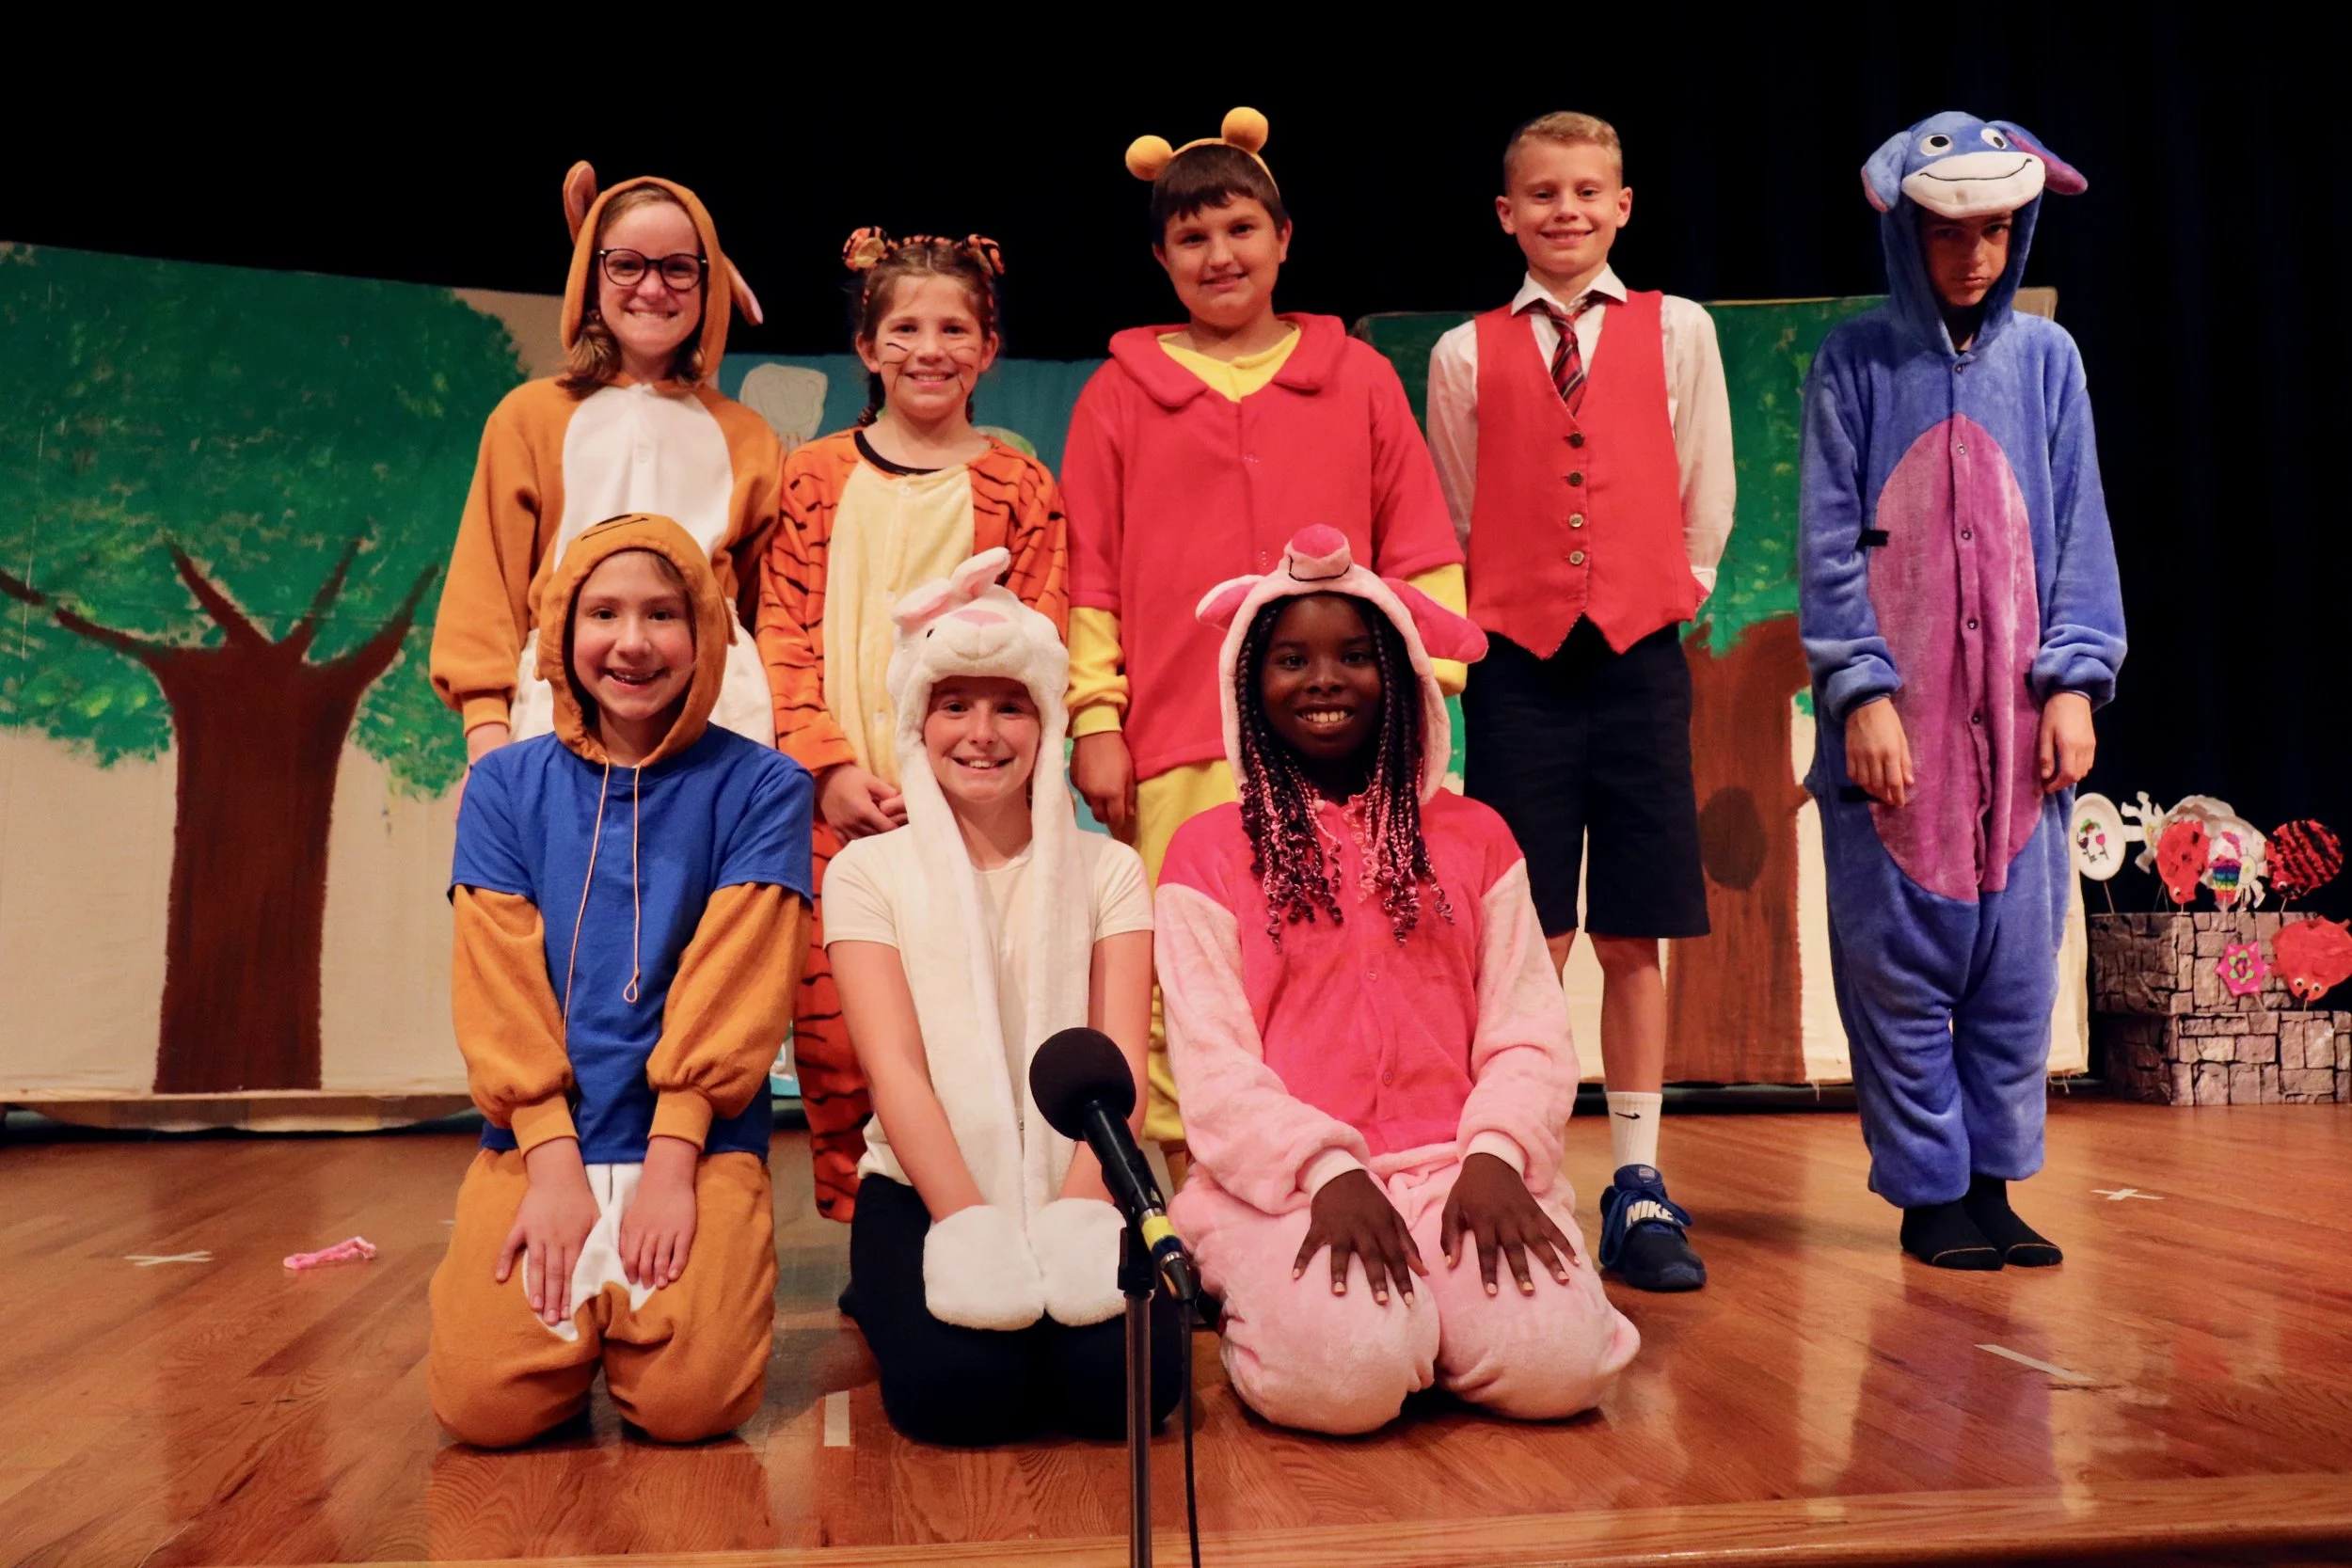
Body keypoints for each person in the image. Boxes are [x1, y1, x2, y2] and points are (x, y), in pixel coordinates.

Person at [1156, 527, 1639, 1435]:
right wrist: (1330, 1171)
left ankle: (1441, 1320)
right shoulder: (1205, 852)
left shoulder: (1478, 836)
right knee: (1350, 1378)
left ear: (1405, 676)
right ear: (1248, 684)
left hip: (1463, 1169)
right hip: (1292, 1186)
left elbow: (1529, 1030)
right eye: (1292, 660)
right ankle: (1341, 1319)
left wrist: (1495, 1158)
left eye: (1355, 656)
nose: (1324, 679)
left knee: (1561, 1369)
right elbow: (1213, 1070)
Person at [1063, 109, 1465, 1159]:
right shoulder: (1117, 395)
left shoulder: (1358, 376)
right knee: (1184, 966)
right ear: (1160, 258)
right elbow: (1089, 568)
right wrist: (1096, 717)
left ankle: (1351, 1170)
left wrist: (1427, 698)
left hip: (1348, 733)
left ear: (1283, 237)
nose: (1219, 255)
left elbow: (1418, 536)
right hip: (1178, 732)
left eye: (1239, 228)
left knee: (1347, 951)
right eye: (1191, 238)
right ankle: (1192, 1189)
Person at [1798, 112, 2124, 1269]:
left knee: (2016, 968)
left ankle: (1991, 1182)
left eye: (1994, 230)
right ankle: (1928, 1190)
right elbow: (1829, 539)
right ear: (1908, 234)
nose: (1974, 255)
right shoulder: (1855, 361)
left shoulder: (2047, 362)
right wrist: (1860, 691)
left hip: (2020, 727)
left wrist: (2074, 680)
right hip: (1903, 728)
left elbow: (2079, 527)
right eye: (1949, 232)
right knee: (1897, 966)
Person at [1424, 111, 1736, 1293]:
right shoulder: (1465, 353)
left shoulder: (1677, 329)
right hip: (1520, 667)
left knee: (1633, 926)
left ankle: (1639, 1179)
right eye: (1543, 193)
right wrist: (1504, 607)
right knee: (1529, 928)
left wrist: (1675, 588)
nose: (1566, 210)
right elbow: (1461, 506)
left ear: (1621, 205)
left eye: (1587, 191)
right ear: (1508, 214)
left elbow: (1705, 483)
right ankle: (1520, 1159)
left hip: (1639, 656)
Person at [428, 514, 814, 1446]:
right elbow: (497, 986)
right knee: (484, 1405)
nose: (632, 642)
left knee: (691, 1403)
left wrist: (672, 1164)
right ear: (564, 630)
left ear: (705, 632)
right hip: (542, 1144)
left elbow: (739, 985)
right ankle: (573, 1329)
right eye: (603, 613)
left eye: (661, 614)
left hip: (695, 1147)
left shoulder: (767, 787)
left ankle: (639, 1317)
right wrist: (552, 1163)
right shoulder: (502, 787)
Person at [821, 549, 1179, 1445]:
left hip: (1087, 1178)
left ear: (1047, 718)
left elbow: (1122, 1069)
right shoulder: (867, 872)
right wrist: (971, 1226)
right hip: (927, 1185)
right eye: (955, 704)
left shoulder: (1110, 870)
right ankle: (886, 1288)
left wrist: (1080, 1217)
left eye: (1009, 706)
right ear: (918, 719)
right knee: (963, 1395)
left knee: (1128, 1389)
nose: (981, 732)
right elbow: (896, 1069)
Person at [755, 231, 1069, 1223]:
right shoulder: (812, 478)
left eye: (953, 329)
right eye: (904, 329)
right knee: (844, 1031)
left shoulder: (1020, 486)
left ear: (988, 348)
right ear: (866, 345)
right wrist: (829, 769)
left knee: (974, 1013)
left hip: (976, 807)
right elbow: (782, 631)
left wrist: (978, 780)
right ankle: (877, 1233)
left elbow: (1038, 645)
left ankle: (990, 1215)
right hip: (840, 808)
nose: (929, 349)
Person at [431, 164, 783, 764]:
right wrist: (486, 736)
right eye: (627, 264)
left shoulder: (749, 437)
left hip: (722, 716)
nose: (653, 288)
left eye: (678, 268)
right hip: (560, 706)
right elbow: (485, 586)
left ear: (709, 285)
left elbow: (769, 608)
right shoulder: (530, 417)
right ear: (591, 277)